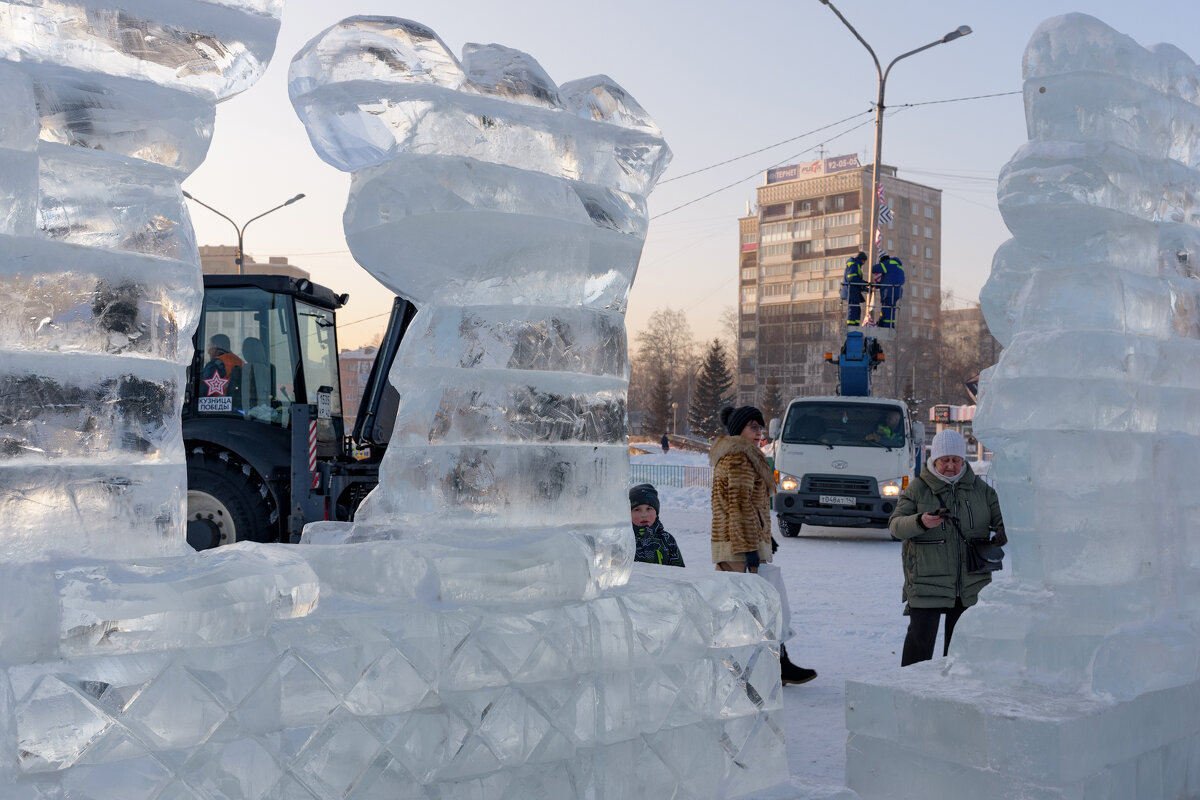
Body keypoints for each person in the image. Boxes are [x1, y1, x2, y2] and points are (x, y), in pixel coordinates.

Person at [711, 405, 816, 685]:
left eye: (760, 427)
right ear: (739, 431)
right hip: (738, 548)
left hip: (740, 542)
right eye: (753, 427)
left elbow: (746, 508)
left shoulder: (744, 456)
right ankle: (745, 670)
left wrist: (763, 537)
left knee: (761, 609)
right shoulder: (738, 459)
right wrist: (750, 549)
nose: (759, 433)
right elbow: (740, 506)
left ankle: (775, 664)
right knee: (749, 611)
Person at [889, 429, 1006, 666]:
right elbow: (895, 526)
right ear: (935, 460)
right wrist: (920, 521)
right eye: (945, 460)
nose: (950, 466)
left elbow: (1004, 520)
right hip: (926, 583)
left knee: (960, 653)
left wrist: (1004, 531)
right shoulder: (917, 489)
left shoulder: (983, 491)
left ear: (963, 460)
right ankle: (910, 692)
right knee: (919, 649)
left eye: (956, 460)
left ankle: (954, 696)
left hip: (970, 585)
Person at [629, 483, 685, 567]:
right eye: (637, 509)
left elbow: (679, 572)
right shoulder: (625, 540)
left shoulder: (667, 539)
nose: (644, 514)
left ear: (656, 513)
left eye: (649, 509)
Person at [872, 252, 905, 329]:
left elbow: (874, 269)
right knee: (891, 309)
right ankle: (886, 324)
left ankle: (886, 326)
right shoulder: (898, 266)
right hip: (896, 291)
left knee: (886, 309)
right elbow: (890, 280)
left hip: (889, 291)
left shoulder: (888, 264)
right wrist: (878, 285)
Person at [841, 251, 870, 326]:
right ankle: (851, 326)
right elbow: (852, 279)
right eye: (864, 261)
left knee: (857, 310)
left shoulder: (856, 265)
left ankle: (856, 325)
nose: (864, 263)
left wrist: (863, 287)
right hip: (851, 292)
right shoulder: (854, 265)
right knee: (853, 309)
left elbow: (855, 280)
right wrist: (865, 283)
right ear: (862, 259)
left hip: (854, 291)